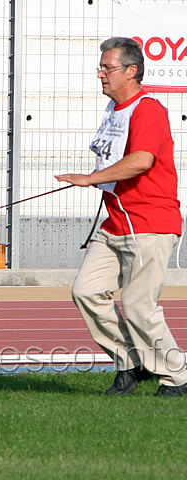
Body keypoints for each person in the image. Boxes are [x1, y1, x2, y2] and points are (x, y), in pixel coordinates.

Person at [55, 37, 187, 396]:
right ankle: (131, 361)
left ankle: (177, 377)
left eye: (106, 68)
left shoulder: (148, 110)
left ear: (131, 71)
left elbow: (141, 160)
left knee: (138, 305)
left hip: (150, 223)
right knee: (87, 291)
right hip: (116, 223)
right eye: (100, 67)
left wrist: (89, 179)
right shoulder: (114, 111)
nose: (100, 74)